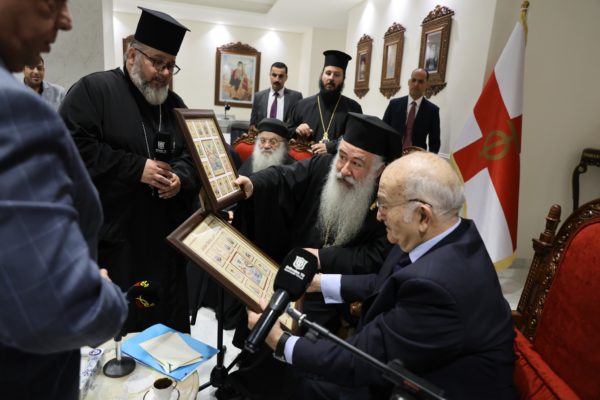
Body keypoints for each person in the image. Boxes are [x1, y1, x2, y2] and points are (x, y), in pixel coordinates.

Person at [248, 152, 517, 400]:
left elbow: (360, 362)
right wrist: (318, 283)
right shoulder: (448, 234)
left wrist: (280, 341)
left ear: (423, 215)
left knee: (301, 384)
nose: (379, 216)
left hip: (430, 388)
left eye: (385, 205)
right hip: (408, 361)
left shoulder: (438, 287)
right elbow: (383, 282)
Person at [0, 1, 128, 399]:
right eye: (52, 2)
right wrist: (105, 297)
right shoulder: (14, 108)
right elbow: (59, 304)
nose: (68, 20)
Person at [60, 7, 200, 334]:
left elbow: (191, 157)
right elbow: (72, 147)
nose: (164, 73)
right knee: (122, 330)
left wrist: (179, 178)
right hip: (116, 242)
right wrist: (137, 168)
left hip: (164, 242)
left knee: (164, 328)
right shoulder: (94, 90)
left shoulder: (175, 105)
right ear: (132, 55)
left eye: (170, 65)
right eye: (157, 62)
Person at [286, 50, 362, 155]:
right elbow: (286, 132)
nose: (331, 78)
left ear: (343, 79)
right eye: (328, 73)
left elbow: (356, 138)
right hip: (305, 162)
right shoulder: (301, 105)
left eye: (337, 75)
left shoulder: (353, 108)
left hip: (337, 163)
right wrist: (297, 129)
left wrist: (331, 147)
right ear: (321, 75)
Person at [383, 68, 441, 153]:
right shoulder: (394, 104)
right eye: (413, 80)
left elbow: (434, 142)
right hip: (392, 155)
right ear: (409, 82)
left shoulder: (432, 110)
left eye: (420, 81)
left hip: (416, 157)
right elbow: (383, 130)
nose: (416, 84)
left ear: (427, 85)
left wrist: (430, 159)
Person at [249, 62, 303, 131]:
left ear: (286, 77)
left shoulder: (296, 97)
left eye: (281, 76)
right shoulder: (258, 97)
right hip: (263, 136)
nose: (277, 79)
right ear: (270, 75)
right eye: (274, 75)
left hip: (286, 137)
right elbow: (253, 124)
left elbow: (299, 123)